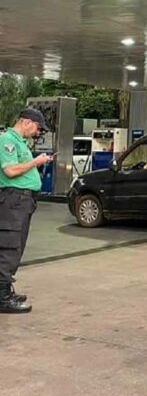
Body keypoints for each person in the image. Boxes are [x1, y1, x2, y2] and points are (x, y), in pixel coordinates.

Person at [0, 108, 54, 314]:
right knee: (9, 247)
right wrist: (36, 161)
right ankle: (2, 297)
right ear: (27, 122)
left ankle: (4, 290)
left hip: (22, 201)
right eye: (38, 127)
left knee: (16, 246)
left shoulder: (19, 142)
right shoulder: (7, 140)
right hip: (13, 201)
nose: (37, 132)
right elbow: (10, 171)